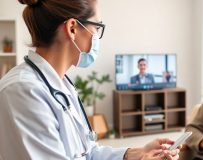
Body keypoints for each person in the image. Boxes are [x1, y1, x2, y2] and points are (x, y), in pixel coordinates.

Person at [0, 0, 179, 159]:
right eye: (97, 27)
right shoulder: (23, 91)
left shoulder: (62, 85)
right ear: (72, 29)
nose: (97, 36)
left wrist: (137, 153)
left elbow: (88, 153)